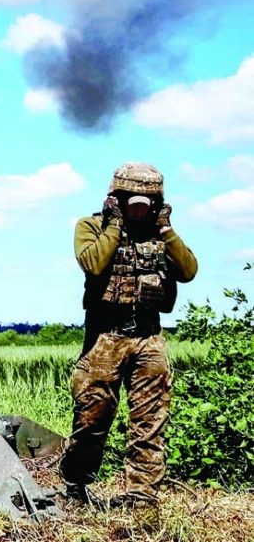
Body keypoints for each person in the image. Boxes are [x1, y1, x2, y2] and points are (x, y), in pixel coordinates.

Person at [59, 162, 198, 509]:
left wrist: (166, 228)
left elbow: (189, 271)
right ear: (116, 199)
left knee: (150, 421)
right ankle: (76, 485)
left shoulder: (161, 234)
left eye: (147, 202)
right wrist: (115, 225)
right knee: (92, 418)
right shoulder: (91, 226)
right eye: (131, 201)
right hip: (106, 338)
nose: (140, 208)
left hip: (149, 339)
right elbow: (93, 263)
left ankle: (142, 496)